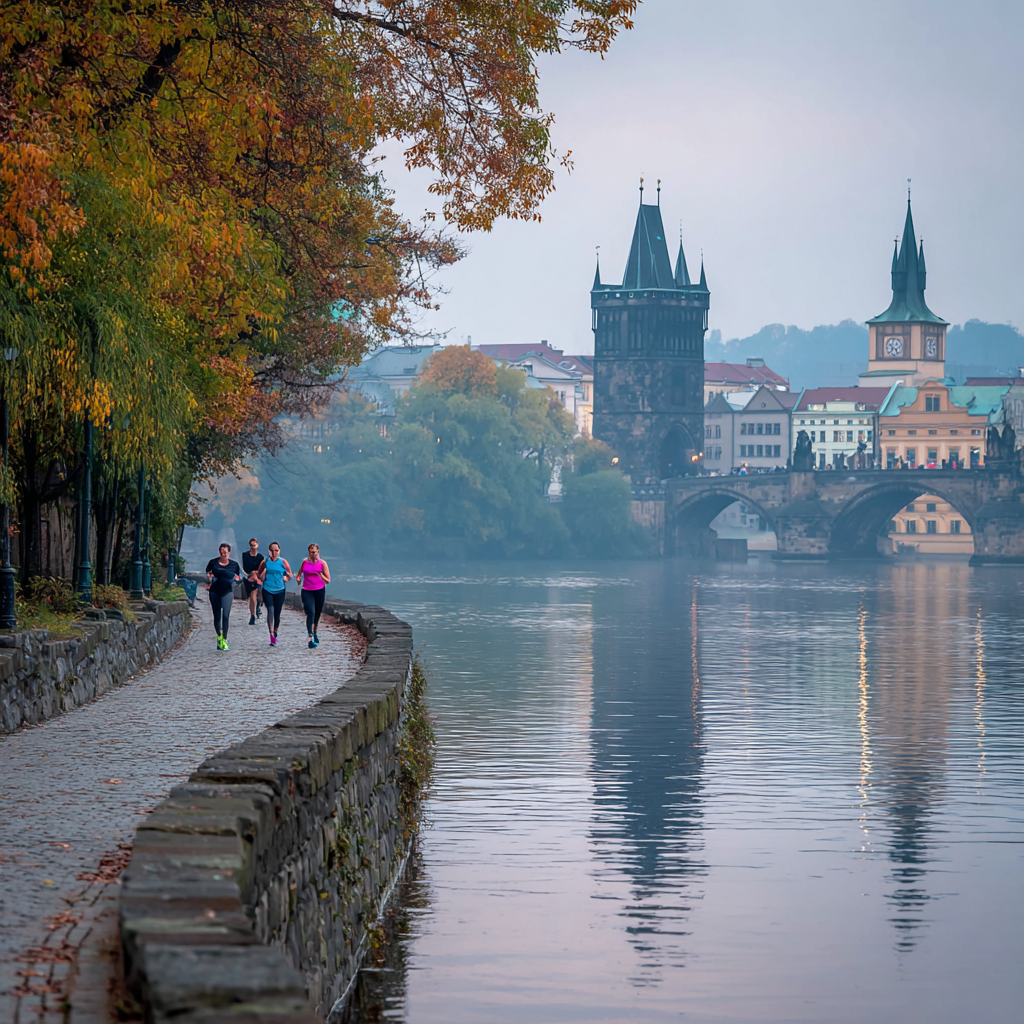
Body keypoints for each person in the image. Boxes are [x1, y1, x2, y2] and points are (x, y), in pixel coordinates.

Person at [205, 543, 241, 651]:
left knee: (225, 615)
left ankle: (224, 639)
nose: (223, 554)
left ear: (229, 552)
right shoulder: (213, 562)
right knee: (217, 616)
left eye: (225, 552)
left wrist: (237, 580)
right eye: (221, 552)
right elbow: (207, 574)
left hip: (227, 591)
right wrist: (209, 580)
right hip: (215, 591)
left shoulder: (234, 565)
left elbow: (238, 578)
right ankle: (219, 637)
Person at [295, 543, 331, 649]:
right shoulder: (305, 562)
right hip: (307, 590)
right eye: (311, 552)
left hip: (319, 590)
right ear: (308, 552)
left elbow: (328, 580)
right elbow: (298, 574)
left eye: (314, 552)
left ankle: (314, 631)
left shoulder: (322, 563)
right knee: (310, 611)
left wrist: (321, 575)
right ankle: (310, 636)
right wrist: (298, 579)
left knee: (317, 614)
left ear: (318, 552)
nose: (313, 554)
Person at [258, 542, 292, 646]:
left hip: (280, 590)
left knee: (277, 612)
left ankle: (275, 629)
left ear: (279, 551)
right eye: (272, 551)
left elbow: (290, 574)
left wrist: (286, 578)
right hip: (267, 589)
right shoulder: (265, 562)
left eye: (276, 550)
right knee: (270, 610)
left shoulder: (283, 562)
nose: (274, 553)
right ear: (269, 551)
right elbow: (259, 573)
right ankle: (271, 634)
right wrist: (262, 577)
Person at [242, 537, 265, 625]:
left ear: (257, 545)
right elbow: (246, 568)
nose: (253, 547)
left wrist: (257, 574)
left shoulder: (260, 557)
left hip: (258, 577)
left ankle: (258, 605)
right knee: (253, 593)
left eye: (254, 545)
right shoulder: (245, 555)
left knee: (260, 592)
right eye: (251, 545)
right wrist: (253, 574)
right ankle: (253, 615)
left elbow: (262, 569)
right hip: (250, 577)